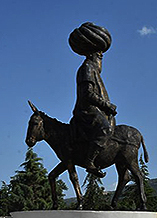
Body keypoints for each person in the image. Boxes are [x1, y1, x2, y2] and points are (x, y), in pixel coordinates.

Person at [69, 22, 117, 178]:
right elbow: (88, 94)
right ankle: (90, 161)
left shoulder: (93, 70)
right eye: (99, 56)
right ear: (92, 56)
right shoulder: (87, 69)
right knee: (105, 128)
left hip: (92, 109)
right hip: (86, 111)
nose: (101, 60)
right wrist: (106, 105)